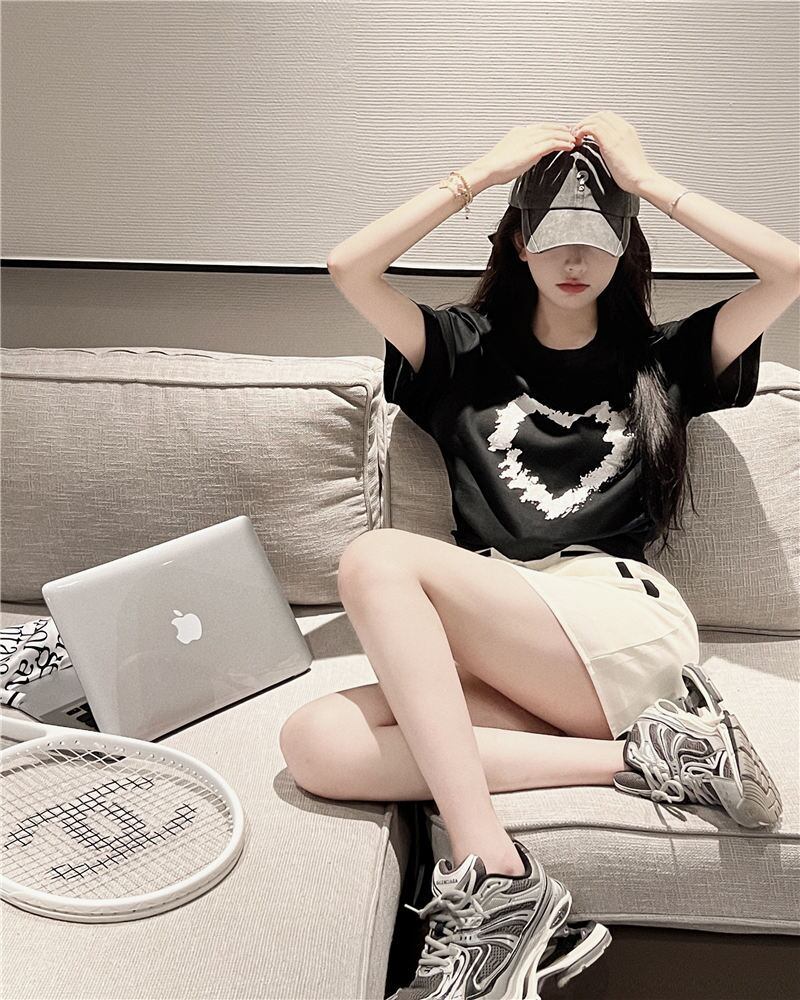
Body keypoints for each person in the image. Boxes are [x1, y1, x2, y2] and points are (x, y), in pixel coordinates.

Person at [280, 114, 794, 999]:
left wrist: (647, 178)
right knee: (316, 744)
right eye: (551, 234)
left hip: (619, 619)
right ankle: (659, 757)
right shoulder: (459, 352)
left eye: (598, 236)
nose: (574, 257)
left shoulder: (665, 360)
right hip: (517, 648)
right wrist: (481, 172)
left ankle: (497, 881)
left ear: (626, 245)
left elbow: (789, 270)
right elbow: (348, 266)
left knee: (375, 560)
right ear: (518, 243)